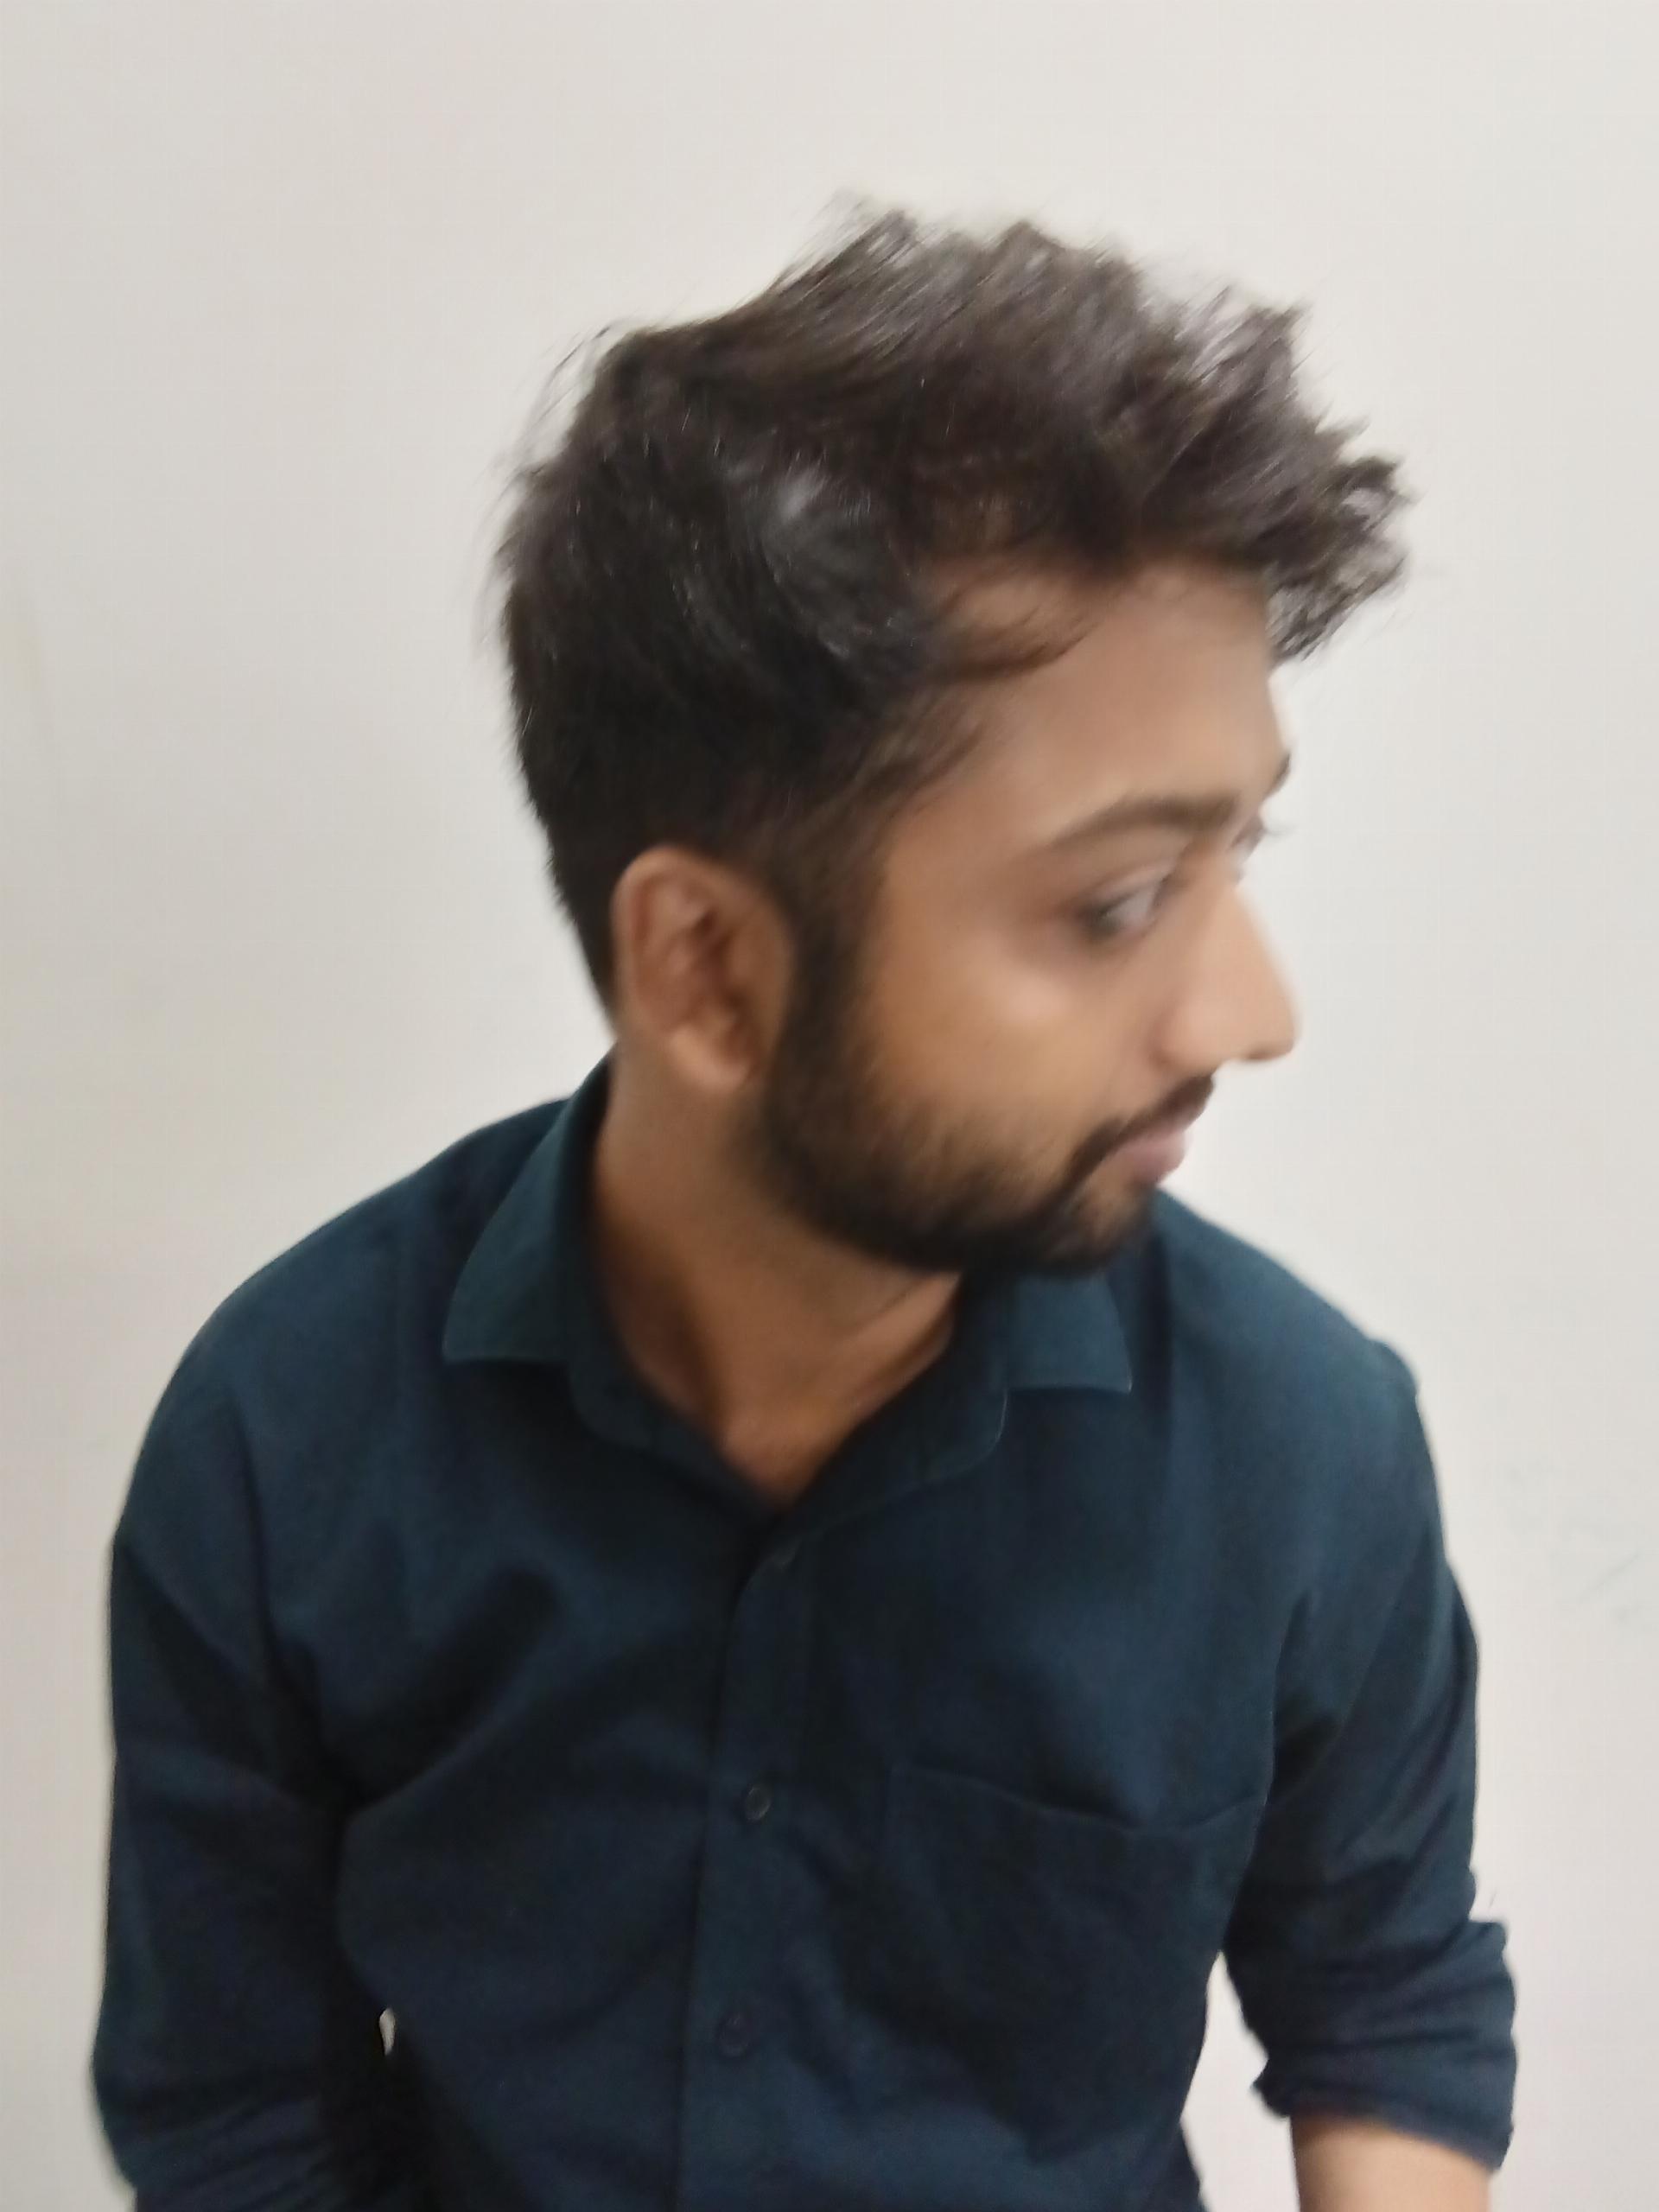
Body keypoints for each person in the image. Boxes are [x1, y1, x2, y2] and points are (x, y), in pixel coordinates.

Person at [91, 205, 1516, 2212]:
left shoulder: (1303, 1444)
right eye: (1117, 901)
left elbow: (1386, 1998)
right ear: (706, 969)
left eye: (1238, 856)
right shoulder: (291, 1435)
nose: (1247, 1012)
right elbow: (236, 2105)